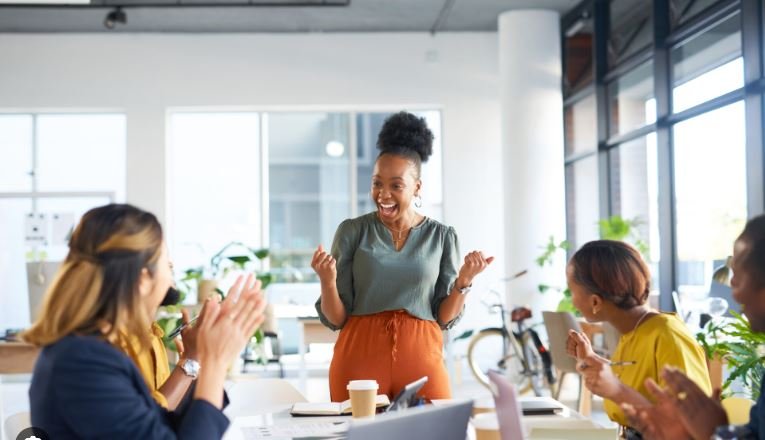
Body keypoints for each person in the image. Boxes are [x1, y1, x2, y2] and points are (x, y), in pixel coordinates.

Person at [23, 203, 267, 439]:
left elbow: (161, 426)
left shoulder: (93, 349)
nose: (171, 281)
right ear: (142, 279)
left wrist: (202, 358)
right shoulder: (83, 361)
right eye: (166, 265)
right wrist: (214, 361)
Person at [312, 111, 494, 402]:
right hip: (359, 359)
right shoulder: (352, 231)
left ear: (416, 187)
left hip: (422, 358)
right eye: (377, 183)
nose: (384, 194)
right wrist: (327, 281)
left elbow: (444, 317)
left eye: (396, 185)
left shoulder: (442, 237)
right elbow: (336, 319)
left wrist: (464, 281)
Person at [622, 215, 765, 440]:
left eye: (738, 273)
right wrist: (695, 434)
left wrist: (713, 433)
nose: (732, 285)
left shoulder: (664, 330)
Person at [565, 240, 711, 438]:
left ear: (595, 301)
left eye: (572, 291)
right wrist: (595, 363)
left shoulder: (667, 335)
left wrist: (616, 390)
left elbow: (691, 428)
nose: (571, 299)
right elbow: (640, 380)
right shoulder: (633, 331)